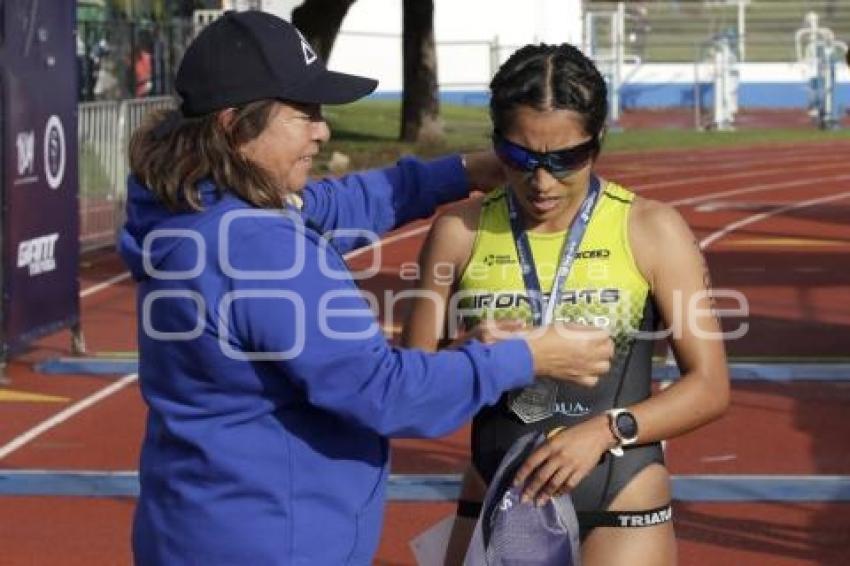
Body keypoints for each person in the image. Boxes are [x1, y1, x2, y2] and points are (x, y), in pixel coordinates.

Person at [118, 12, 614, 565]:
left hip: (196, 527)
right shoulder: (256, 247)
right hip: (269, 544)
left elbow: (333, 206)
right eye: (303, 114)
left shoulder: (193, 203)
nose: (322, 129)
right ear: (236, 126)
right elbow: (385, 393)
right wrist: (523, 356)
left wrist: (462, 172)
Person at [402, 43, 730, 565]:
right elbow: (410, 387)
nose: (542, 181)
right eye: (520, 158)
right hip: (496, 491)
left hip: (619, 498)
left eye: (565, 159)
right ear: (495, 145)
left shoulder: (651, 229)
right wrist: (470, 351)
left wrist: (606, 430)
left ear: (597, 141)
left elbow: (710, 386)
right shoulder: (458, 231)